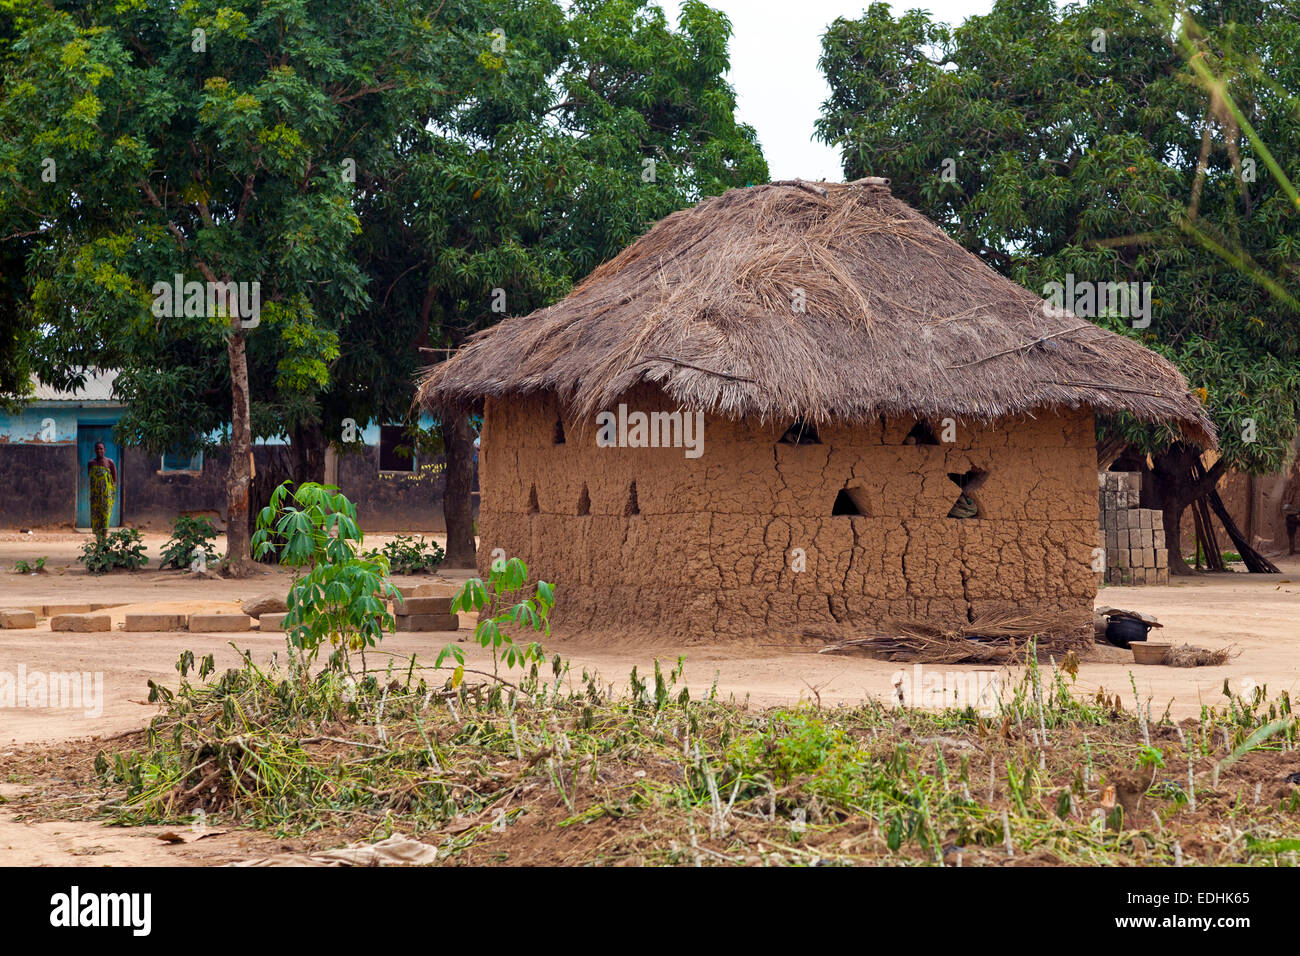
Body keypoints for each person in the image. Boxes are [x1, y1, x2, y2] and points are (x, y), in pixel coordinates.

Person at [88, 440, 117, 541]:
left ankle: (104, 540)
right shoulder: (91, 463)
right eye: (97, 449)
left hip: (106, 496)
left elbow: (114, 479)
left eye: (101, 448)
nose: (99, 450)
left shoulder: (109, 462)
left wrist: (110, 493)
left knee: (105, 517)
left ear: (105, 450)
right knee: (96, 516)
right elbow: (91, 477)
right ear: (94, 451)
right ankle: (98, 540)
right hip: (95, 496)